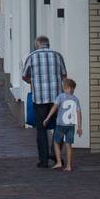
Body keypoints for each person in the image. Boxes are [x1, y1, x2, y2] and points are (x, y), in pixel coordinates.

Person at [22, 35, 67, 169]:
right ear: (48, 44)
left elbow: (25, 76)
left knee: (41, 128)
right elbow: (64, 75)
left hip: (40, 98)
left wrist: (33, 82)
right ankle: (55, 152)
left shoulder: (32, 56)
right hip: (57, 99)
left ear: (37, 44)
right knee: (59, 126)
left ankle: (43, 160)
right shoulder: (57, 55)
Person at [46, 77, 83, 172]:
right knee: (69, 145)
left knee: (56, 142)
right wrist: (79, 126)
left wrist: (47, 117)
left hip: (60, 124)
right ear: (72, 88)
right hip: (71, 126)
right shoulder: (76, 99)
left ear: (65, 88)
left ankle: (59, 162)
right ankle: (69, 165)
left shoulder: (60, 97)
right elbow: (78, 113)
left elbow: (54, 108)